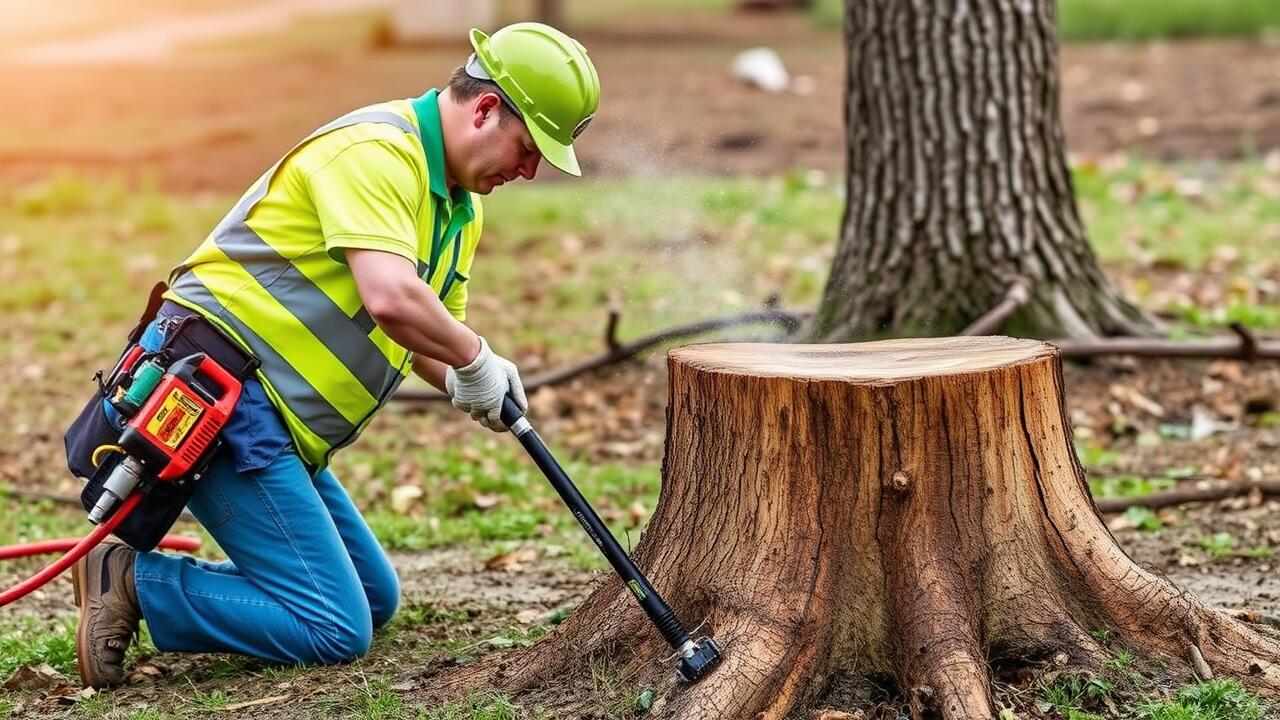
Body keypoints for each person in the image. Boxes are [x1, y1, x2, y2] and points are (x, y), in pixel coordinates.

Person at [71, 22, 600, 688]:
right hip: (217, 401)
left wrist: (474, 380)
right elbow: (392, 298)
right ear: (486, 108)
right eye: (527, 149)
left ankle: (225, 589)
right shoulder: (378, 153)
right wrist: (474, 358)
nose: (528, 172)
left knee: (373, 599)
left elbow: (429, 332)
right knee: (333, 625)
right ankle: (131, 579)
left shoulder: (458, 210)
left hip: (276, 424)